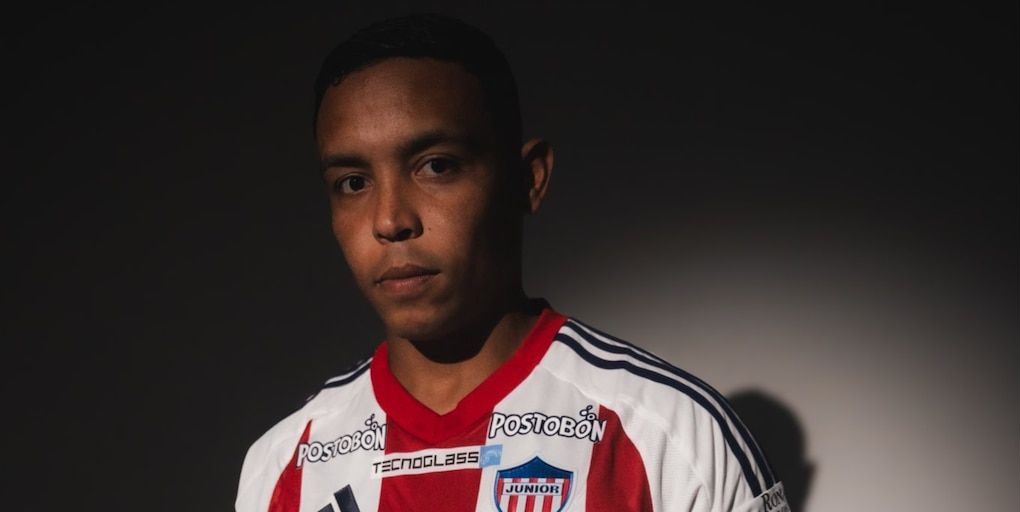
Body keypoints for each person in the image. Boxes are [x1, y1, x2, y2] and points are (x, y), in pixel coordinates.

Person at [235, 13, 790, 512]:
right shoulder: (282, 465)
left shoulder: (674, 437)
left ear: (528, 179)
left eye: (436, 166)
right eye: (353, 182)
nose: (390, 220)